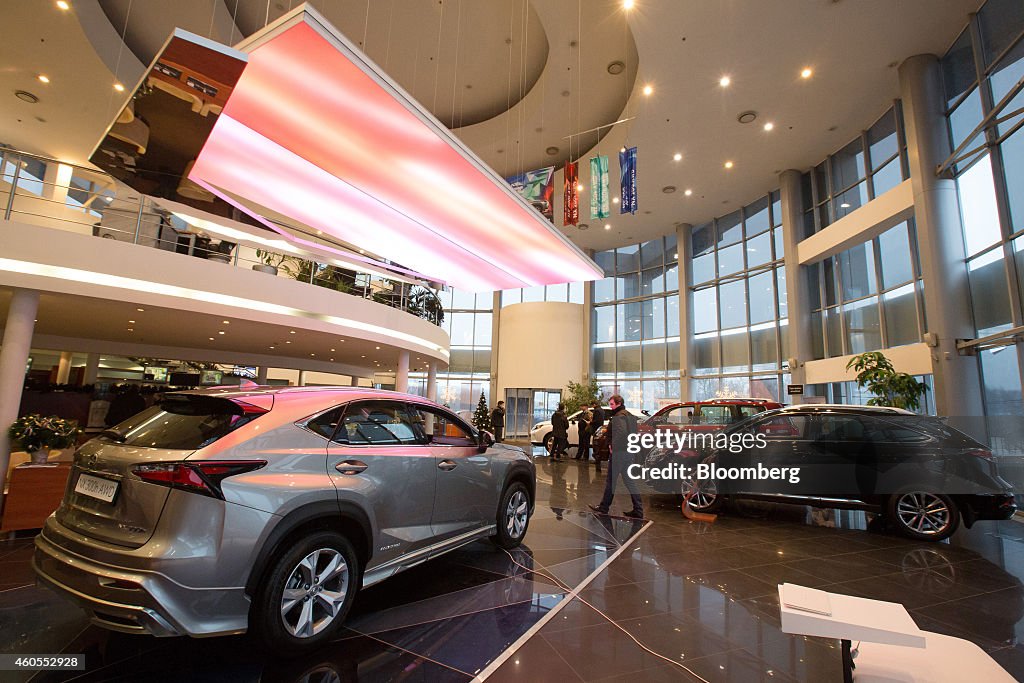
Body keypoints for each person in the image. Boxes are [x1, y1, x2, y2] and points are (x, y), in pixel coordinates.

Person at [589, 394, 644, 519]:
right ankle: (638, 509)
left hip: (620, 452)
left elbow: (620, 433)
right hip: (628, 452)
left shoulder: (619, 417)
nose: (611, 406)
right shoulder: (629, 415)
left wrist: (612, 445)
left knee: (611, 481)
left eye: (612, 404)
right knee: (629, 481)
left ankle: (604, 508)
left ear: (618, 404)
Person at [590, 401, 606, 471]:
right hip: (600, 428)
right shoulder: (602, 410)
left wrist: (590, 422)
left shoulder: (596, 411)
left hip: (596, 428)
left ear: (594, 404)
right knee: (598, 445)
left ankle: (597, 459)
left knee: (595, 445)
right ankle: (597, 459)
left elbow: (595, 420)